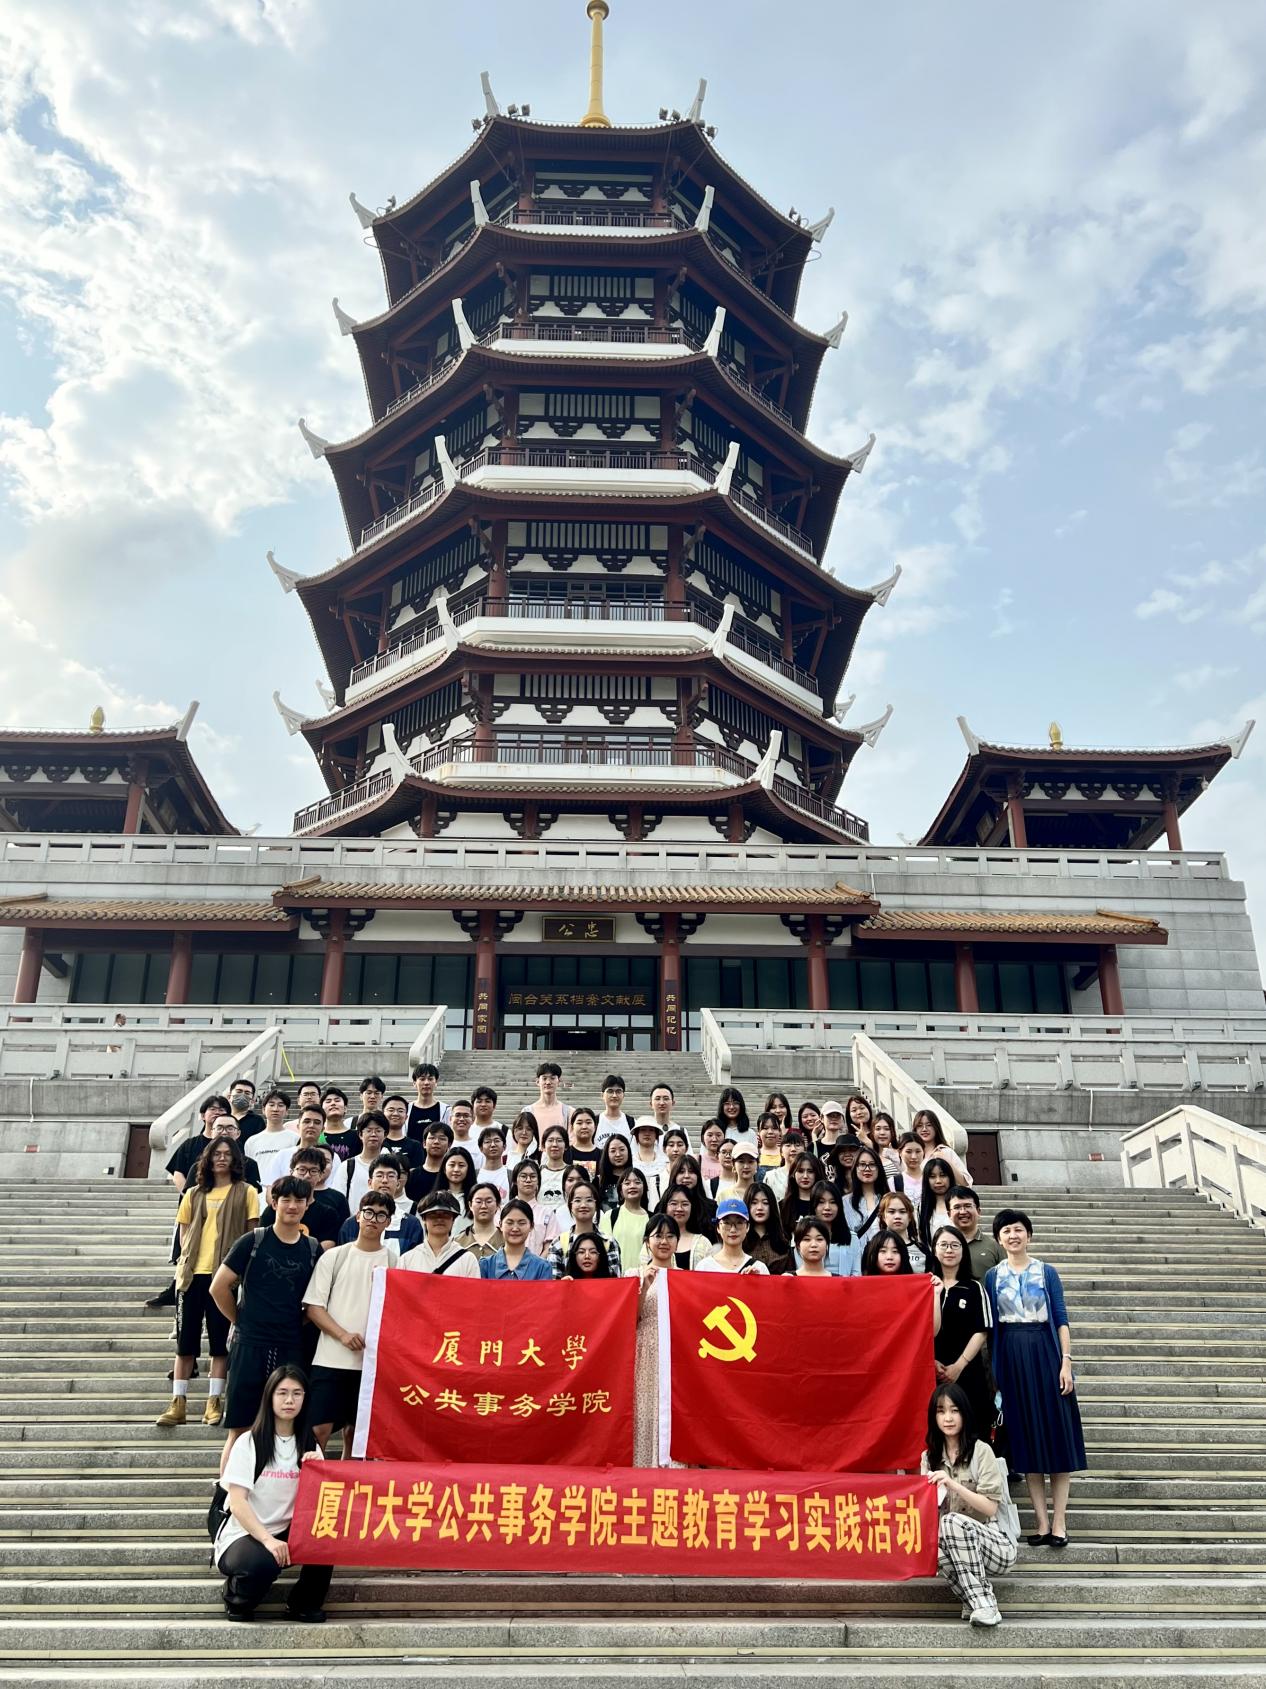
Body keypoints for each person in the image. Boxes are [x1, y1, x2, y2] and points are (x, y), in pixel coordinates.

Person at [986, 1209, 1087, 1548]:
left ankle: (1059, 1522)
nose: (1013, 1236)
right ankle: (1041, 1522)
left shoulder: (1046, 1271)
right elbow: (993, 1328)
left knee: (1057, 1436)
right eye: (1006, 1231)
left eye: (1018, 1230)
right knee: (1026, 1439)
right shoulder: (993, 1276)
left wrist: (1066, 1363)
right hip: (1012, 1356)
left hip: (1045, 1352)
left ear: (1028, 1235)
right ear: (998, 1239)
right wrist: (997, 1373)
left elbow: (1060, 1318)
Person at [211, 1176, 323, 1468]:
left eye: (299, 1200)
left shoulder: (313, 1249)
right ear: (274, 1203)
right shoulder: (253, 1241)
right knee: (240, 1427)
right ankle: (226, 1490)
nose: (292, 1206)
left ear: (307, 1205)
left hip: (290, 1346)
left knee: (288, 1425)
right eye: (286, 1199)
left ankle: (278, 1486)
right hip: (250, 1345)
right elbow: (218, 1287)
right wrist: (240, 1321)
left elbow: (318, 1299)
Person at [214, 1365, 332, 1624]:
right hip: (244, 1534)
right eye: (282, 1393)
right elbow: (237, 1502)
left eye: (297, 1393)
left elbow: (320, 1505)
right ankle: (235, 1596)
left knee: (326, 1538)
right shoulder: (249, 1442)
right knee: (263, 1565)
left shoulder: (310, 1445)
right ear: (269, 1397)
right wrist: (268, 1540)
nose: (290, 1400)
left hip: (287, 1532)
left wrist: (316, 1473)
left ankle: (303, 1603)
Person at [158, 1139, 259, 1427]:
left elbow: (251, 1234)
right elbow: (184, 1233)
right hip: (192, 1276)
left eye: (228, 1154)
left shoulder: (247, 1192)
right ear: (207, 1159)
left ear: (236, 1160)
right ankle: (178, 1402)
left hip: (225, 1277)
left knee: (219, 1343)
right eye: (217, 1154)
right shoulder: (193, 1193)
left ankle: (214, 1401)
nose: (222, 1159)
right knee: (185, 1343)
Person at [303, 1192, 396, 1450]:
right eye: (369, 1212)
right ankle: (314, 1475)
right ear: (358, 1215)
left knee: (357, 1434)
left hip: (371, 1363)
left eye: (381, 1215)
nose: (373, 1219)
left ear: (388, 1222)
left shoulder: (393, 1262)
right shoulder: (335, 1256)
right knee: (318, 1429)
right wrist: (343, 1335)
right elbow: (313, 1307)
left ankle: (350, 1478)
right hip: (330, 1358)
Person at [922, 1382, 1016, 1628]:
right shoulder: (929, 1458)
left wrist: (953, 1485)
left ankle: (985, 1604)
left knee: (951, 1522)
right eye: (941, 1411)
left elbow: (990, 1508)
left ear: (964, 1413)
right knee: (932, 1545)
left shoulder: (981, 1451)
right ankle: (974, 1600)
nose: (948, 1418)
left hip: (996, 1544)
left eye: (954, 1410)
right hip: (955, 1545)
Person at [146, 1093, 233, 1311]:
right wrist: (191, 1197)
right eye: (213, 1109)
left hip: (223, 1210)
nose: (217, 1113)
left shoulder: (232, 1150)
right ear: (203, 1115)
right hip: (192, 1207)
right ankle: (176, 1288)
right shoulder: (191, 1144)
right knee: (184, 1250)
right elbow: (178, 1173)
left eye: (222, 1110)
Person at [625, 1215, 682, 1468]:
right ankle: (643, 1472)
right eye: (658, 1236)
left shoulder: (686, 1278)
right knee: (644, 1410)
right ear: (647, 1241)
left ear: (677, 1242)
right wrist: (644, 1288)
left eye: (670, 1236)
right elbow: (628, 1319)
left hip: (676, 1355)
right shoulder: (633, 1274)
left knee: (674, 1410)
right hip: (644, 1351)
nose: (664, 1241)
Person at [931, 1226, 995, 1437]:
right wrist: (930, 1361)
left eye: (955, 1245)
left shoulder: (974, 1287)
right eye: (943, 1245)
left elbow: (982, 1330)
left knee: (972, 1429)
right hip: (931, 1372)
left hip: (968, 1371)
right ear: (934, 1249)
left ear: (963, 1250)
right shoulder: (926, 1285)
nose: (949, 1250)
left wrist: (959, 1366)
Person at [336, 1154, 420, 1257]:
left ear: (398, 1183)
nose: (385, 1180)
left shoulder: (411, 1225)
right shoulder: (351, 1225)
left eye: (391, 1176)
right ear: (370, 1182)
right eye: (379, 1176)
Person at [400, 1190, 482, 1277]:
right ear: (424, 1219)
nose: (439, 1219)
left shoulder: (467, 1259)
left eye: (445, 1214)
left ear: (453, 1219)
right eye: (433, 1214)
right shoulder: (407, 1259)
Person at [550, 1180, 622, 1277]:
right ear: (570, 1206)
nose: (583, 1205)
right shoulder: (558, 1243)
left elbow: (616, 1282)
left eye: (589, 1200)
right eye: (577, 1200)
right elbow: (554, 1281)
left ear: (596, 1205)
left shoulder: (609, 1243)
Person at [480, 1199, 553, 1280]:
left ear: (531, 1226)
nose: (515, 1229)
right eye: (509, 1223)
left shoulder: (542, 1267)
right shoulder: (485, 1265)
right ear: (500, 1225)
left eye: (521, 1223)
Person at [696, 1196, 769, 1275]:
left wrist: (756, 1280)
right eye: (727, 1223)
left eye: (739, 1223)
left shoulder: (759, 1268)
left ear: (747, 1227)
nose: (733, 1230)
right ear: (718, 1227)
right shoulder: (704, 1267)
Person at [335, 1110, 389, 1210]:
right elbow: (338, 1200)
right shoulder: (347, 1166)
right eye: (369, 1130)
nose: (373, 1134)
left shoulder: (391, 1166)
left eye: (378, 1131)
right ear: (360, 1134)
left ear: (385, 1135)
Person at [948, 1187, 1004, 1282]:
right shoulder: (942, 1247)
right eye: (957, 1207)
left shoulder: (995, 1246)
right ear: (949, 1214)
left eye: (968, 1206)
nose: (963, 1212)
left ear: (978, 1211)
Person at [507, 1159, 561, 1254]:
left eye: (533, 1176)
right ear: (515, 1181)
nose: (528, 1180)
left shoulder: (547, 1213)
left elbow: (549, 1246)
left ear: (538, 1181)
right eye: (523, 1176)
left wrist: (537, 1262)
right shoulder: (504, 1210)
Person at [603, 1166, 652, 1272]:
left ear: (644, 1188)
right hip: (617, 1277)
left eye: (637, 1182)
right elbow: (604, 1250)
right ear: (620, 1190)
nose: (632, 1186)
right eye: (627, 1183)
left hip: (644, 1276)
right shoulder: (610, 1216)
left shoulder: (652, 1219)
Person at [807, 1180, 861, 1276]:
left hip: (845, 1285)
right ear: (813, 1205)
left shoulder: (852, 1238)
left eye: (832, 1202)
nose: (827, 1207)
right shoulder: (803, 1238)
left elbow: (856, 1274)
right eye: (821, 1202)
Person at [656, 1186, 714, 1269]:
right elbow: (644, 1269)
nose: (679, 1209)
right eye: (674, 1204)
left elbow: (711, 1273)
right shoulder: (653, 1239)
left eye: (685, 1204)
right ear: (665, 1207)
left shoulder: (703, 1243)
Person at [913, 1108, 972, 1186]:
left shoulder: (945, 1152)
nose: (924, 1129)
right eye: (920, 1125)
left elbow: (966, 1183)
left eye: (929, 1125)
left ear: (936, 1127)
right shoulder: (912, 1155)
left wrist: (946, 1160)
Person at [242, 1090, 297, 1168]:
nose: (275, 1109)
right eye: (271, 1105)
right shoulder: (252, 1142)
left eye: (280, 1105)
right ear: (263, 1110)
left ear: (287, 1111)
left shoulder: (295, 1139)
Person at [744, 1183, 791, 1274]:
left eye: (765, 1203)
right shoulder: (741, 1241)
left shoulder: (783, 1239)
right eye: (754, 1203)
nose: (760, 1208)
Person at [845, 1147, 890, 1241]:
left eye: (872, 1164)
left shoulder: (889, 1199)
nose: (867, 1169)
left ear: (879, 1168)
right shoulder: (845, 1202)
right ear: (855, 1168)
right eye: (862, 1164)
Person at [877, 1191, 927, 1272]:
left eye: (902, 1212)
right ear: (883, 1216)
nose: (897, 1216)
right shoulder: (873, 1247)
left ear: (910, 1216)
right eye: (891, 1212)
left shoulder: (922, 1250)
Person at [405, 1121, 454, 1205]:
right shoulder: (411, 1175)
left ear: (449, 1145)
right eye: (432, 1138)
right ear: (424, 1143)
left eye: (442, 1138)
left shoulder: (451, 1176)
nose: (436, 1142)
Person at [456, 1182, 505, 1262]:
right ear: (470, 1205)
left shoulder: (506, 1240)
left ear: (497, 1204)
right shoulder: (458, 1242)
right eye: (478, 1202)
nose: (483, 1206)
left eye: (489, 1201)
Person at [779, 1151, 825, 1234]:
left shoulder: (824, 1205)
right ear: (793, 1174)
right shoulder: (783, 1205)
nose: (805, 1176)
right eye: (800, 1171)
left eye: (810, 1171)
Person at [759, 1129, 806, 1204]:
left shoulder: (809, 1175)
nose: (793, 1149)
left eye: (797, 1145)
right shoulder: (771, 1176)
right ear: (781, 1152)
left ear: (804, 1151)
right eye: (788, 1145)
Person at [630, 1116, 669, 1206]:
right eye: (643, 1130)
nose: (647, 1133)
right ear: (636, 1134)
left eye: (651, 1130)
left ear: (656, 1135)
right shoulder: (630, 1161)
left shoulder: (665, 1161)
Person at [382, 1094, 424, 1172]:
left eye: (400, 1111)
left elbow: (416, 1173)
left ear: (406, 1117)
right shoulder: (376, 1142)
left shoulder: (415, 1146)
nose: (395, 1114)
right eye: (391, 1110)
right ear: (383, 1114)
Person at [920, 1157, 957, 1243]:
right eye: (932, 1177)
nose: (938, 1181)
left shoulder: (959, 1204)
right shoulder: (921, 1208)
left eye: (943, 1175)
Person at [596, 1133, 634, 1216]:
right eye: (613, 1151)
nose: (618, 1154)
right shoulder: (598, 1181)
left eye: (622, 1150)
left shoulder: (635, 1178)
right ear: (607, 1153)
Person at [537, 1125, 573, 1214]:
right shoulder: (537, 1172)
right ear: (543, 1146)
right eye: (550, 1140)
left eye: (559, 1140)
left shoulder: (572, 1172)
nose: (554, 1144)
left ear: (566, 1146)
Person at [528, 1061, 570, 1134]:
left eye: (552, 1078)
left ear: (559, 1082)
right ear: (537, 1082)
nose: (548, 1082)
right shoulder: (528, 1111)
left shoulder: (568, 1112)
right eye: (544, 1078)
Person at [406, 1062, 448, 1135]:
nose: (426, 1083)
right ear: (414, 1083)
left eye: (430, 1079)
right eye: (422, 1079)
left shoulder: (445, 1110)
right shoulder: (406, 1110)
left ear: (436, 1082)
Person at [440, 1145, 478, 1222]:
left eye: (461, 1165)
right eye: (452, 1165)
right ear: (444, 1168)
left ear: (468, 1169)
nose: (456, 1169)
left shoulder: (476, 1199)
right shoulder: (435, 1198)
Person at [319, 1088, 358, 1163]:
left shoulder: (358, 1136)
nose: (333, 1103)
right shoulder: (316, 1137)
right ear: (321, 1110)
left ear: (345, 1108)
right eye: (328, 1101)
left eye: (337, 1100)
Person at [596, 1075, 635, 1147]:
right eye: (610, 1091)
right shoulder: (594, 1122)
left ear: (623, 1095)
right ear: (602, 1095)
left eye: (618, 1091)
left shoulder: (632, 1123)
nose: (614, 1095)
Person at [567, 1107, 602, 1180]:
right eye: (579, 1123)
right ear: (572, 1127)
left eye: (588, 1122)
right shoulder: (565, 1153)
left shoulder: (603, 1155)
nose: (584, 1127)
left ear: (595, 1126)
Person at [476, 1126, 510, 1200]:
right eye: (487, 1142)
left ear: (504, 1146)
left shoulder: (511, 1175)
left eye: (497, 1141)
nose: (493, 1145)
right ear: (481, 1148)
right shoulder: (475, 1175)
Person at [893, 1134, 926, 1211]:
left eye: (918, 1151)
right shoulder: (893, 1182)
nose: (914, 1156)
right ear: (900, 1152)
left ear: (924, 1152)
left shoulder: (931, 1179)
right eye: (908, 1152)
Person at [870, 1111, 902, 1178]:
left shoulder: (901, 1154)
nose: (882, 1133)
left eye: (886, 1129)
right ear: (873, 1133)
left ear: (892, 1132)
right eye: (878, 1129)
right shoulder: (870, 1156)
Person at [698, 1118, 724, 1183]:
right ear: (703, 1138)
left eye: (718, 1135)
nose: (714, 1139)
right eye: (710, 1135)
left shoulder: (730, 1161)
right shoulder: (696, 1160)